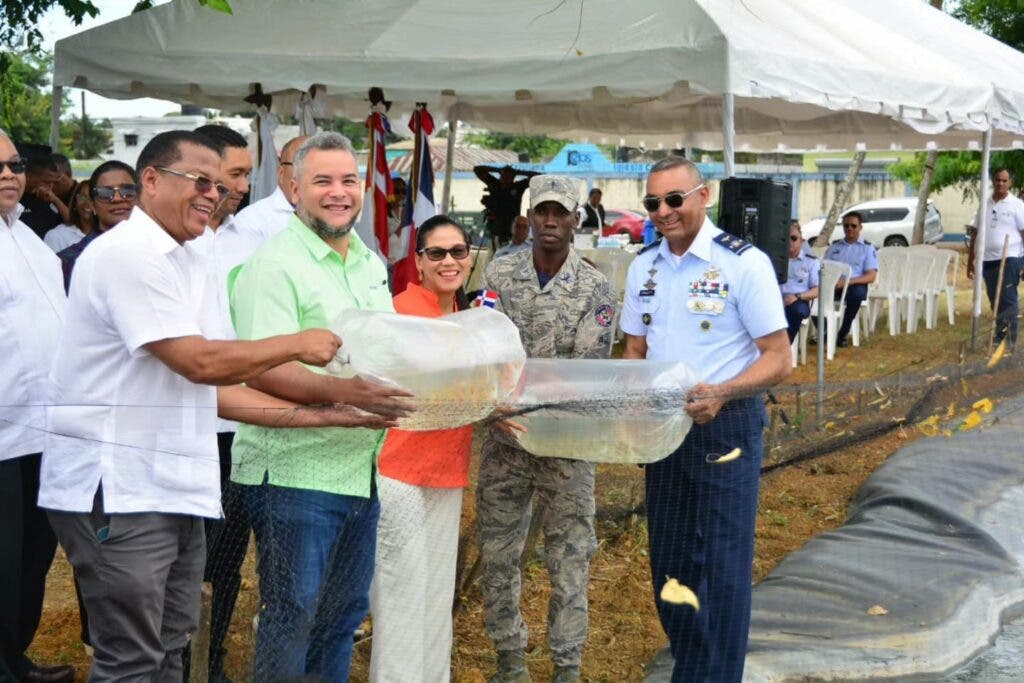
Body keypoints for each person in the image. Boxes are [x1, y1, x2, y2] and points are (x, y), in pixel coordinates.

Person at [38, 130, 390, 682]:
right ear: (150, 180)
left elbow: (222, 387)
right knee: (132, 658)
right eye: (197, 181)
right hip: (117, 486)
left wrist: (328, 414)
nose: (212, 194)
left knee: (174, 646)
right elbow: (200, 363)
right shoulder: (128, 255)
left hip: (178, 483)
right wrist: (299, 344)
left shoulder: (195, 256)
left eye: (219, 184)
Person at [229, 132, 413, 683]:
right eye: (323, 181)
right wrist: (348, 392)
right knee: (292, 617)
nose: (339, 193)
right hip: (293, 472)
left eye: (348, 181)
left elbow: (384, 352)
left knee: (342, 620)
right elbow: (260, 367)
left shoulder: (368, 262)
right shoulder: (273, 264)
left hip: (360, 470)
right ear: (292, 187)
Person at [621, 156, 791, 682]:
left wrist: (724, 391)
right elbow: (634, 349)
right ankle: (692, 670)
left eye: (675, 199)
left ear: (704, 195)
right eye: (653, 203)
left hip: (725, 427)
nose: (664, 213)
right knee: (670, 567)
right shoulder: (643, 266)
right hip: (664, 432)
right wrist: (631, 408)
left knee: (721, 571)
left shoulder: (743, 264)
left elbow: (779, 358)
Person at [477, 175, 616, 683]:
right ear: (530, 217)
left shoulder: (595, 286)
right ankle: (510, 662)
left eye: (561, 212)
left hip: (567, 446)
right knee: (498, 556)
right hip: (506, 441)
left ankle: (566, 666)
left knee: (570, 560)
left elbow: (583, 372)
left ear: (577, 219)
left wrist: (518, 380)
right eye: (543, 212)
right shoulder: (501, 271)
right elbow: (486, 348)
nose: (551, 221)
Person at [369, 215, 475, 683]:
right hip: (400, 470)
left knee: (436, 595)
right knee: (401, 596)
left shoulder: (467, 318)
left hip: (447, 471)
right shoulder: (399, 311)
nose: (449, 261)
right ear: (418, 261)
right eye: (437, 253)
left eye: (458, 251)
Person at [0, 131, 75, 683]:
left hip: (45, 432)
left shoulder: (29, 239)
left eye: (14, 165)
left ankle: (13, 657)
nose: (8, 175)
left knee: (31, 558)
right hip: (2, 434)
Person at [184, 123, 257, 683]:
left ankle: (212, 660)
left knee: (226, 557)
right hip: (184, 429)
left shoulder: (252, 241)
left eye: (244, 178)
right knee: (182, 561)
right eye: (232, 175)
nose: (237, 189)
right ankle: (177, 661)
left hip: (239, 428)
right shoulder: (174, 244)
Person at [56, 160, 138, 291]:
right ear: (93, 205)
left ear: (140, 197)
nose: (117, 198)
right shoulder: (69, 262)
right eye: (105, 193)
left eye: (127, 190)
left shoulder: (165, 248)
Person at [967, 166, 1024, 348]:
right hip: (987, 259)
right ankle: (1000, 335)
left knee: (1007, 298)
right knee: (995, 299)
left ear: (1010, 183)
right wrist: (971, 260)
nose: (1001, 183)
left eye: (1004, 180)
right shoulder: (985, 204)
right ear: (993, 181)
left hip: (1010, 258)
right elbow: (975, 233)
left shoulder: (1017, 205)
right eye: (998, 179)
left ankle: (1010, 339)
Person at [232, 134, 308, 242]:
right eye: (301, 166)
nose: (312, 175)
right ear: (281, 173)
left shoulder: (333, 215)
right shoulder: (252, 220)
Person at [824, 211, 877, 348]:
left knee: (858, 294)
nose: (849, 229)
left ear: (860, 227)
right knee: (812, 295)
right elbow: (823, 269)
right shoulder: (834, 247)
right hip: (833, 286)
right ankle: (824, 331)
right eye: (846, 225)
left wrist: (846, 283)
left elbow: (871, 276)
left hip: (854, 284)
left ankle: (842, 333)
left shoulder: (867, 248)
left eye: (853, 226)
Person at [474, 164, 540, 246]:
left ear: (513, 178)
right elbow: (477, 169)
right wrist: (497, 170)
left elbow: (538, 177)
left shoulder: (518, 186)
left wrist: (518, 172)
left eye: (509, 176)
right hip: (496, 226)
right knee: (498, 251)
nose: (506, 178)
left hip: (513, 226)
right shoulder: (494, 183)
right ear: (500, 176)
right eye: (504, 175)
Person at [781, 222, 819, 342]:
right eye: (785, 238)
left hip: (798, 300)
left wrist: (797, 296)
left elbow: (817, 290)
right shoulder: (775, 259)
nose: (789, 241)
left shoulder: (811, 262)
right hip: (776, 300)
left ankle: (784, 347)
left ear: (801, 241)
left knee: (798, 311)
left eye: (793, 238)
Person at [19, 155, 64, 239]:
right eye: (46, 182)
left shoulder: (50, 198)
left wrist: (56, 200)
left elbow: (72, 223)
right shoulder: (14, 198)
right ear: (29, 176)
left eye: (53, 182)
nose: (51, 187)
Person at [43, 180, 92, 252]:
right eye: (82, 197)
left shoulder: (111, 234)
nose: (87, 202)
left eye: (92, 197)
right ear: (75, 203)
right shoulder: (57, 236)